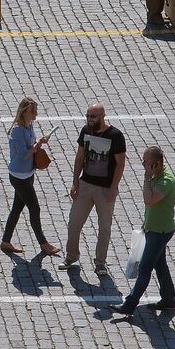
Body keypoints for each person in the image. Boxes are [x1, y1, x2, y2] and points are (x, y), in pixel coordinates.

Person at [108, 147, 175, 316]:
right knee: (160, 265)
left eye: (146, 162)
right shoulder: (158, 175)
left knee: (145, 268)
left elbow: (149, 200)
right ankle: (168, 299)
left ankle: (130, 304)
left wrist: (147, 178)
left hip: (159, 232)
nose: (143, 164)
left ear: (157, 164)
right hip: (154, 228)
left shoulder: (165, 181)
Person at [62, 105, 127, 273]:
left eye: (93, 116)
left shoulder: (116, 136)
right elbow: (80, 157)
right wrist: (75, 182)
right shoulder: (86, 131)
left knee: (104, 227)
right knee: (74, 223)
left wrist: (113, 188)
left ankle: (100, 262)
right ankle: (71, 256)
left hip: (105, 189)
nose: (89, 119)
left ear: (103, 116)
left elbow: (120, 164)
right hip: (86, 185)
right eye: (88, 116)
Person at [0, 97, 59, 257]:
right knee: (35, 208)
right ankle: (43, 243)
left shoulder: (29, 125)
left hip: (27, 173)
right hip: (20, 177)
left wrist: (39, 142)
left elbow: (31, 146)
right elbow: (23, 156)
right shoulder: (18, 131)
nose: (36, 114)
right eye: (33, 111)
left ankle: (5, 241)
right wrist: (36, 146)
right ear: (25, 111)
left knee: (17, 208)